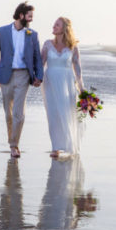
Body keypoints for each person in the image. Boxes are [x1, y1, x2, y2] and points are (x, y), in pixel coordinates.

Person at [0, 2, 43, 158]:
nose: (31, 19)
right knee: (9, 114)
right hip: (5, 76)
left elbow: (37, 58)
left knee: (19, 113)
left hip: (23, 76)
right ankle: (12, 140)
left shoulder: (32, 35)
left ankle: (14, 145)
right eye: (29, 16)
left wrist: (39, 76)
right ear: (21, 15)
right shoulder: (2, 31)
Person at [41, 17, 84, 158]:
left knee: (67, 112)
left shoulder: (73, 46)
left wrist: (82, 89)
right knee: (53, 113)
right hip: (50, 83)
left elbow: (77, 69)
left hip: (67, 83)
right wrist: (35, 78)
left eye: (57, 25)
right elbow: (40, 64)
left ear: (64, 28)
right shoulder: (47, 44)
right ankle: (56, 147)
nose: (53, 26)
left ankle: (69, 145)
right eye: (54, 24)